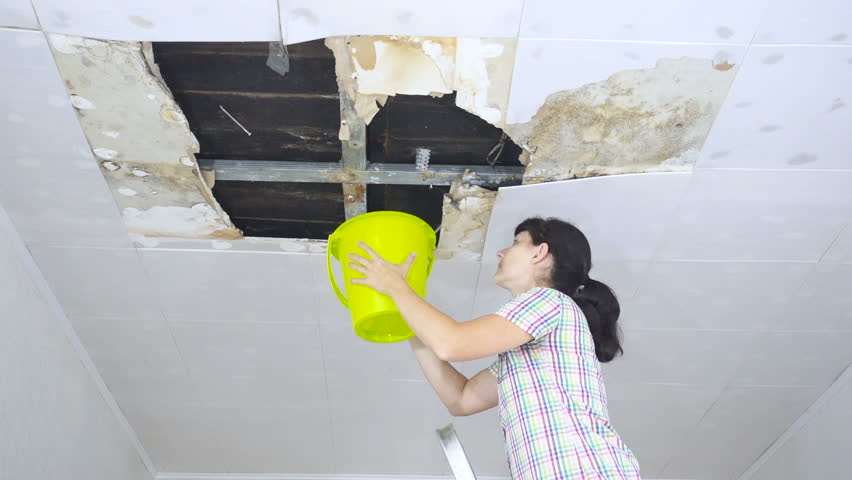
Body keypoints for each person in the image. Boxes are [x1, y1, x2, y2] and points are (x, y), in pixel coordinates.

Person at [347, 216, 640, 479]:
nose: (501, 253)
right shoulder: (522, 354)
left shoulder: (550, 302)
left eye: (515, 243)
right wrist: (405, 313)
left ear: (540, 252)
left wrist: (398, 287)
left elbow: (453, 344)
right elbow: (460, 399)